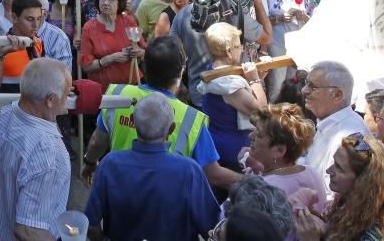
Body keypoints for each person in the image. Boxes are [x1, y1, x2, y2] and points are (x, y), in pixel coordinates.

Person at [81, 35, 238, 200]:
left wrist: (90, 163)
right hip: (165, 209)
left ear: (144, 67)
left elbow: (97, 142)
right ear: (181, 70)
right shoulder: (191, 119)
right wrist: (256, 180)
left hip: (118, 197)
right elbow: (214, 175)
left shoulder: (118, 94)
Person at [85, 93, 216, 241]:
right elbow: (212, 228)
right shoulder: (190, 171)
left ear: (133, 121)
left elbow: (91, 226)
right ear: (171, 129)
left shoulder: (109, 164)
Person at [0, 59, 71, 240]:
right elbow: (28, 230)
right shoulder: (47, 152)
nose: (68, 101)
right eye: (67, 95)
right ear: (50, 100)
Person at [294, 133, 384, 241]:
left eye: (339, 168)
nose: (329, 170)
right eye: (334, 162)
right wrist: (321, 223)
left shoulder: (372, 233)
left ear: (361, 182)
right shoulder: (348, 209)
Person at [199, 22, 268, 169]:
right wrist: (255, 80)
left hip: (216, 143)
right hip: (233, 151)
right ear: (229, 51)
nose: (242, 49)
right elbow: (263, 113)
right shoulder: (229, 85)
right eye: (238, 46)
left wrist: (258, 79)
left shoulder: (212, 70)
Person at [297, 61, 371, 195]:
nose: (304, 90)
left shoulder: (348, 136)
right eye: (306, 83)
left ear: (337, 95)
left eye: (312, 86)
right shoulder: (329, 123)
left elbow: (334, 195)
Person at [246, 103, 326, 206]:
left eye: (259, 135)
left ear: (279, 151)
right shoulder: (312, 173)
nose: (250, 136)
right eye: (254, 131)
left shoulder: (264, 189)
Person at [265, 0, 316, 100]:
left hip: (299, 43)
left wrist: (304, 17)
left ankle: (294, 117)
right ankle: (275, 120)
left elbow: (314, 21)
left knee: (297, 84)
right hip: (277, 42)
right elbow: (263, 20)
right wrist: (279, 19)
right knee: (277, 84)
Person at [79, 0, 146, 90]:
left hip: (130, 87)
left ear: (120, 3)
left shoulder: (129, 21)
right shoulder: (89, 27)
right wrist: (110, 58)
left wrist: (139, 52)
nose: (105, 3)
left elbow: (143, 48)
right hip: (103, 90)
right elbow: (86, 66)